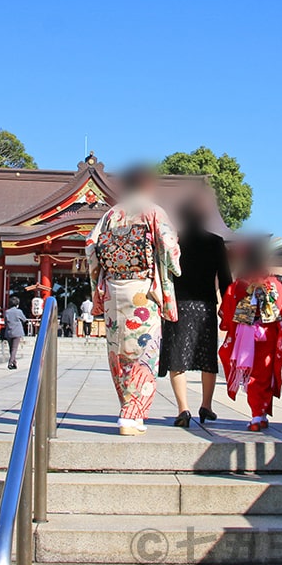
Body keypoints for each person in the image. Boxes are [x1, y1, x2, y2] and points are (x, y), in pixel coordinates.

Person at [86, 166, 181, 436]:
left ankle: (131, 412)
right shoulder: (153, 211)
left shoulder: (110, 214)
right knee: (144, 352)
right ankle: (130, 414)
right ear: (148, 185)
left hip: (114, 290)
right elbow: (170, 248)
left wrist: (103, 280)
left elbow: (91, 247)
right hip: (143, 291)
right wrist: (171, 262)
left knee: (119, 352)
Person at [160, 199, 232, 428]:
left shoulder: (175, 241)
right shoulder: (216, 242)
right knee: (207, 358)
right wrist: (226, 306)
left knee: (177, 358)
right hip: (205, 305)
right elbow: (225, 278)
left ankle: (183, 409)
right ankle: (206, 406)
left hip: (178, 305)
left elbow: (165, 274)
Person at [219, 243, 282, 432]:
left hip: (245, 335)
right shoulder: (275, 284)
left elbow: (227, 311)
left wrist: (228, 324)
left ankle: (256, 415)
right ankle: (260, 414)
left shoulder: (239, 285)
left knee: (251, 374)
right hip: (268, 335)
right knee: (266, 373)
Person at [4, 296, 27, 370]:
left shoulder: (7, 312)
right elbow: (24, 319)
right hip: (17, 331)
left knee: (11, 348)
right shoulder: (18, 311)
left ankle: (14, 363)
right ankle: (10, 363)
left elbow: (5, 322)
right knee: (14, 348)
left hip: (9, 331)